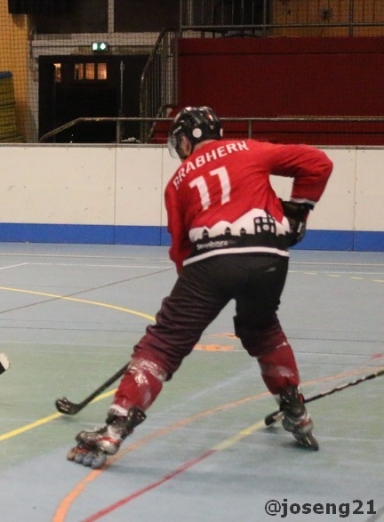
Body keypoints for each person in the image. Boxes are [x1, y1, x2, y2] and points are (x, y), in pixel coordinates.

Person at [67, 107, 333, 468]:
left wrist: (191, 295)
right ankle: (296, 411)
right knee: (263, 329)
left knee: (164, 342)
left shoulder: (177, 182)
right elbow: (318, 163)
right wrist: (298, 212)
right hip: (269, 257)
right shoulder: (250, 149)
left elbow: (180, 246)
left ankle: (114, 429)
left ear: (187, 137)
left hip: (209, 261)